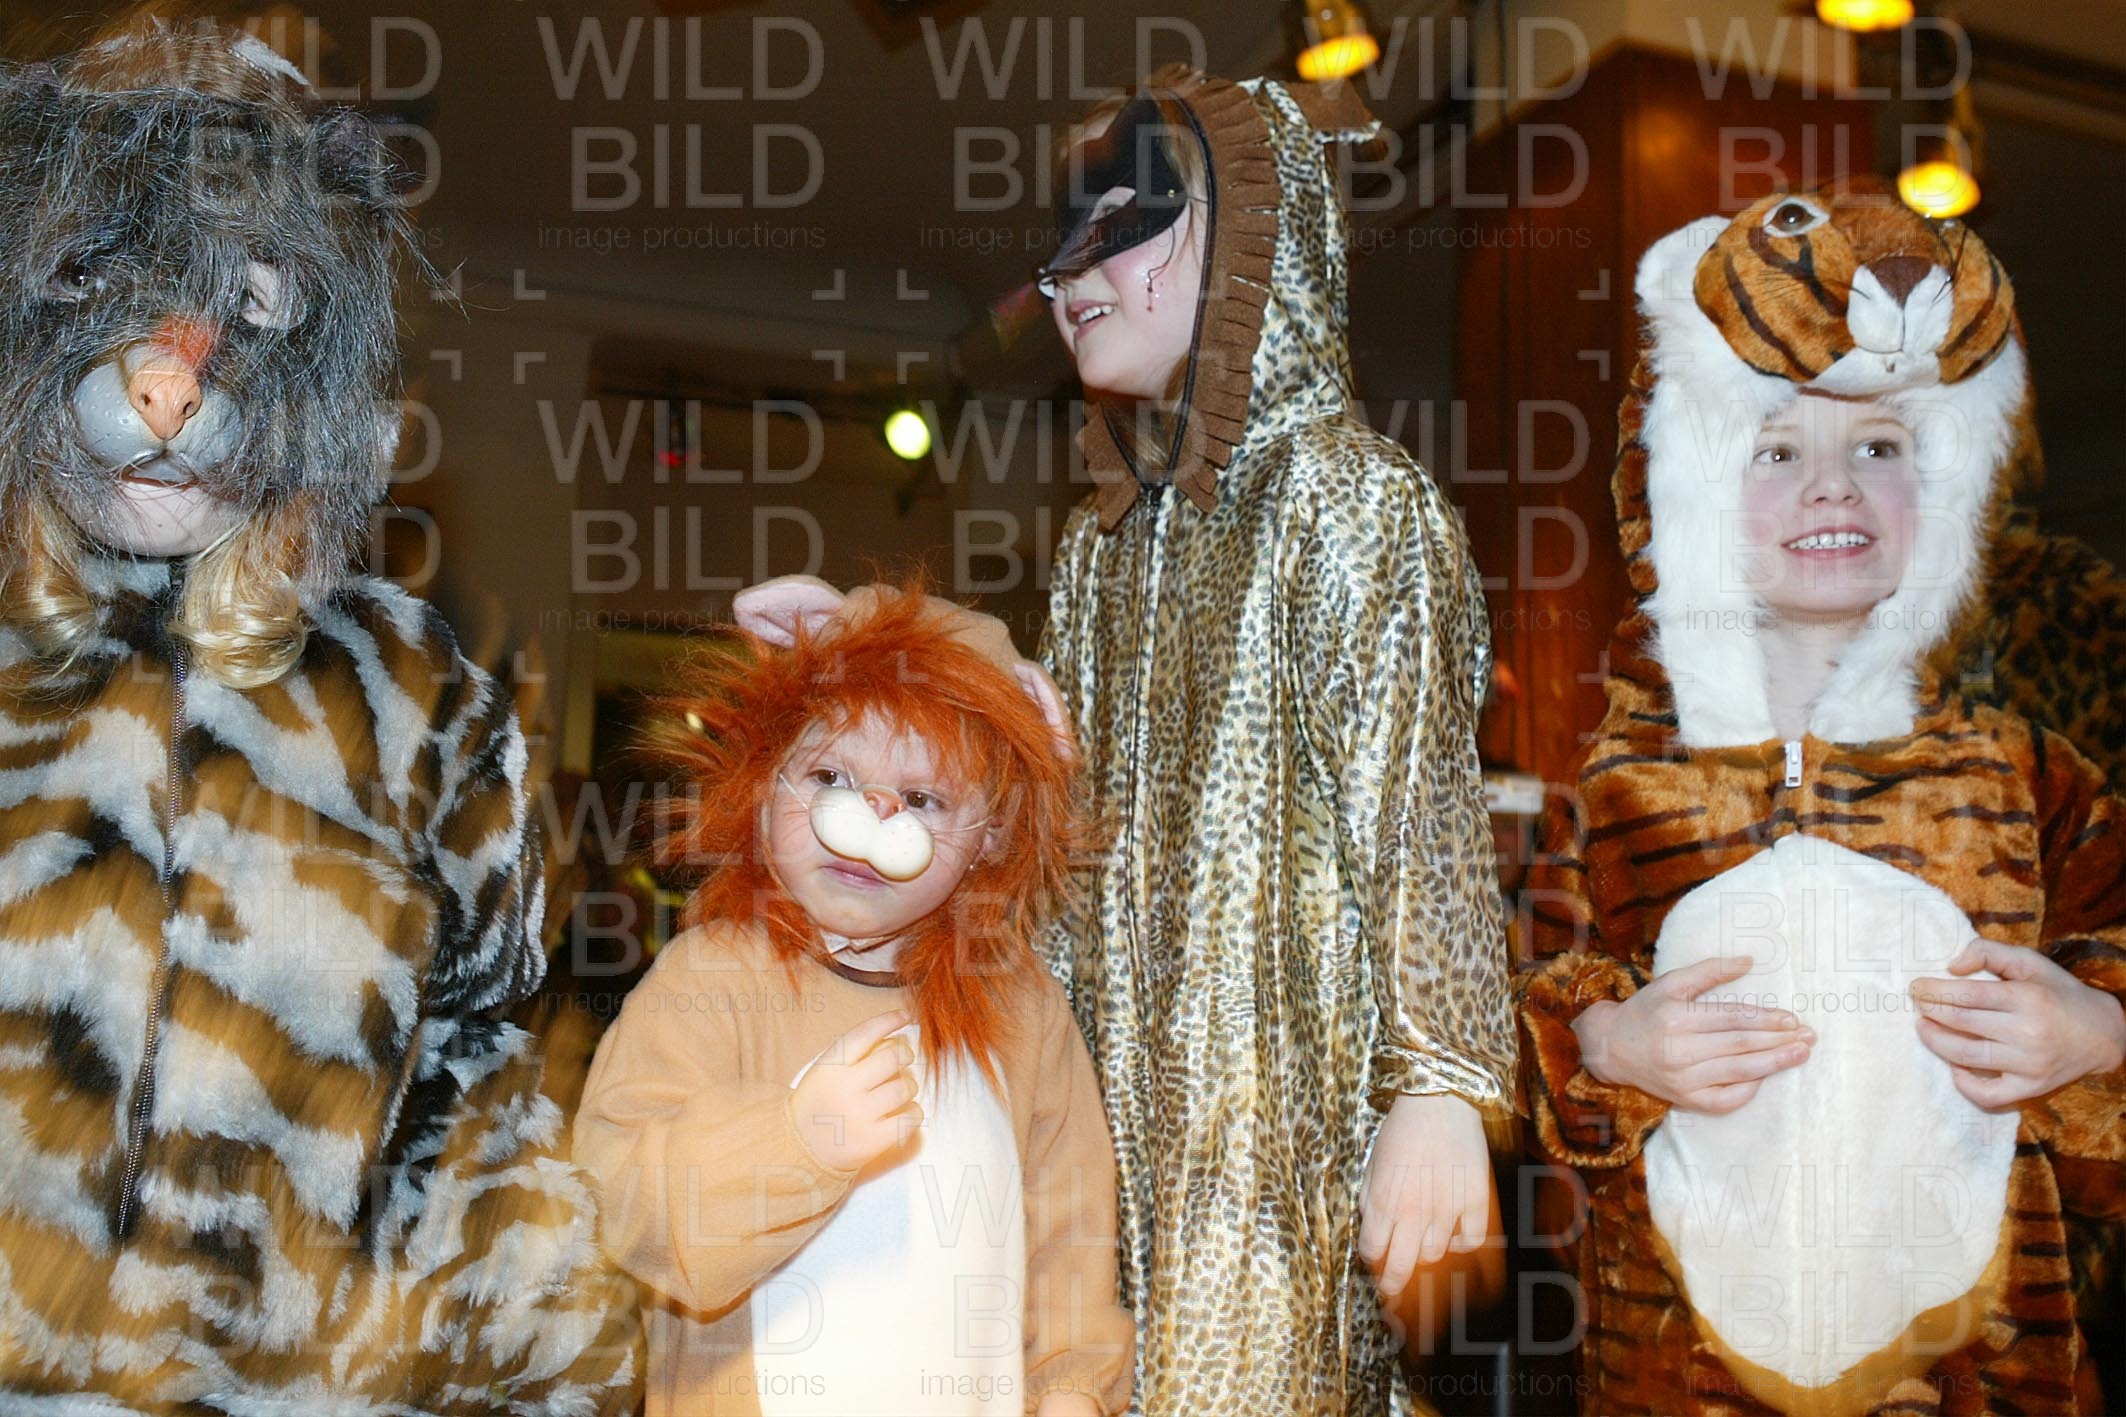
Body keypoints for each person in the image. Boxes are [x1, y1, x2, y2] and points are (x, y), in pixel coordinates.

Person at [742, 66, 1517, 1414]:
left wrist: (1441, 1088)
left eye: (1123, 223)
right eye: (1062, 239)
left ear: (1250, 236)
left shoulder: (1350, 505)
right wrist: (862, 659)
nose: (1066, 275)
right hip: (1095, 1158)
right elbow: (1042, 811)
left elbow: (1421, 819)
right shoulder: (1104, 552)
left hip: (1271, 1166)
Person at [0, 15, 638, 1409]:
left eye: (247, 305)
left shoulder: (415, 705)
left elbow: (474, 1103)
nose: (171, 380)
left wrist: (553, 1372)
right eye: (103, 283)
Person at [1519, 194, 2126, 1413]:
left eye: (1880, 449)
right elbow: (1511, 1026)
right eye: (1774, 450)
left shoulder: (2029, 779)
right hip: (1676, 1379)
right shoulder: (1609, 795)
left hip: (1983, 1375)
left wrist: (2101, 1033)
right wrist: (1605, 1048)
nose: (1832, 487)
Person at [572, 586, 1134, 1417]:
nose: (869, 816)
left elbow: (1069, 1228)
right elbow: (620, 1198)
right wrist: (796, 1141)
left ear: (989, 835)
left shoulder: (1021, 1007)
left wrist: (1071, 1388)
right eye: (831, 776)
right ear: (768, 783)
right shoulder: (714, 978)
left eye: (922, 798)